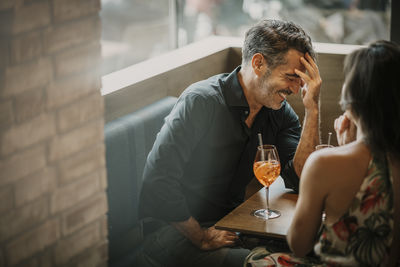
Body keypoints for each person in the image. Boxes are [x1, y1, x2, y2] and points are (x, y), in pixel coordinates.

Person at [135, 19, 322, 267]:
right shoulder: (201, 102)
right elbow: (158, 182)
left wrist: (313, 109)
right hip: (175, 231)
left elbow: (302, 179)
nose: (298, 89)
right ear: (258, 63)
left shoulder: (279, 112)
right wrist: (200, 237)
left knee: (318, 252)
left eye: (301, 80)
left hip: (231, 225)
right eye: (291, 77)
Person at [245, 40, 400, 266]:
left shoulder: (324, 163)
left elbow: (300, 244)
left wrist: (344, 148)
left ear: (352, 99)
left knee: (257, 256)